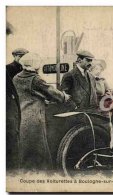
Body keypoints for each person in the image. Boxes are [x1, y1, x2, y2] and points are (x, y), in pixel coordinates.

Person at [13, 52, 71, 171]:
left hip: (20, 116)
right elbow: (50, 91)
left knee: (24, 147)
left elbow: (31, 93)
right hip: (34, 117)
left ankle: (25, 172)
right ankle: (42, 174)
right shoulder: (35, 79)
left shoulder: (16, 77)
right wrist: (64, 97)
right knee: (39, 147)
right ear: (34, 65)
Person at [6, 22, 21, 171]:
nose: (22, 58)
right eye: (20, 56)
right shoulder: (8, 69)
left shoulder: (25, 68)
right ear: (15, 56)